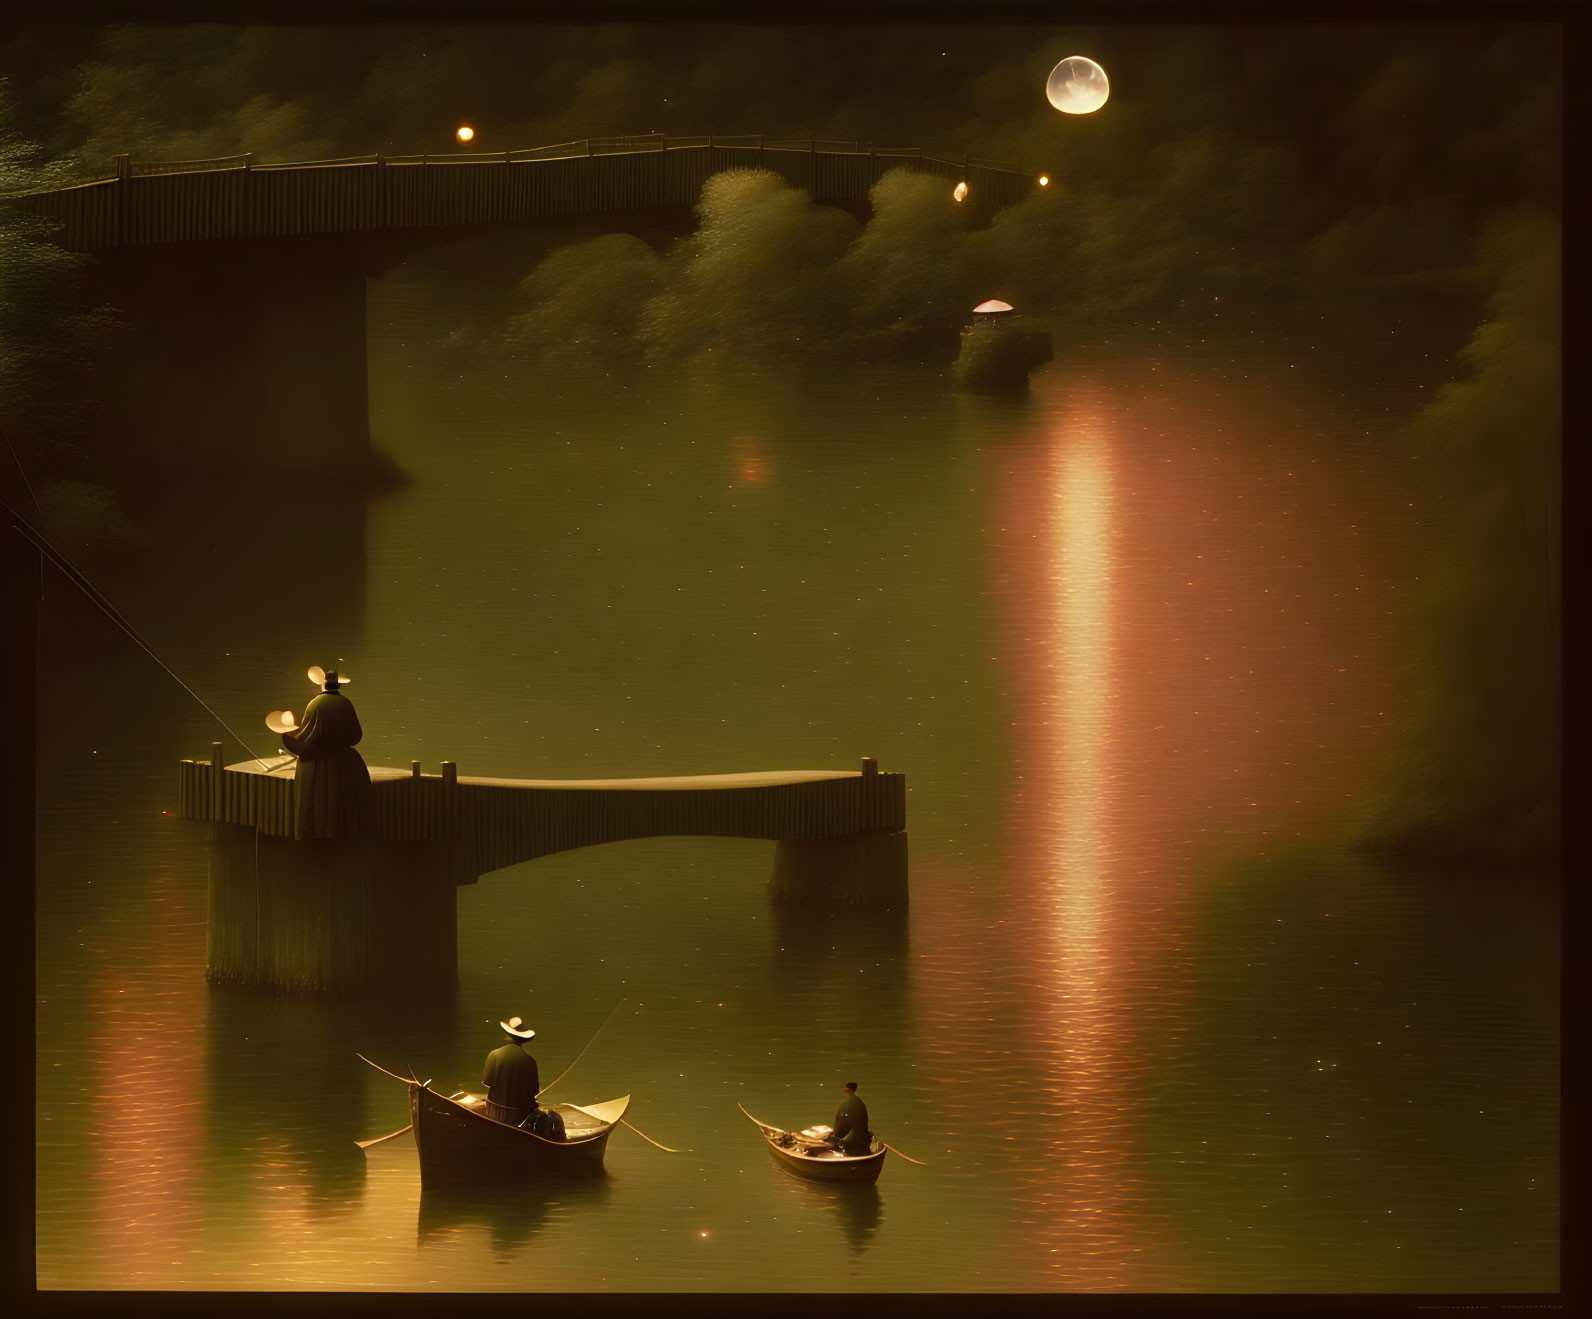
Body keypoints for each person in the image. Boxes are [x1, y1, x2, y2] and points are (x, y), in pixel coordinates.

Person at [280, 666, 370, 839]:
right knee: (341, 804)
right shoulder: (346, 703)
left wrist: (287, 736)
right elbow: (356, 736)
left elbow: (306, 739)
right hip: (344, 763)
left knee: (319, 802)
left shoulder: (315, 704)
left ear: (323, 685)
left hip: (320, 764)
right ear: (337, 686)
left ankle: (317, 838)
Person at [483, 1016, 542, 1127]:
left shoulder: (494, 1055)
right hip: (521, 1117)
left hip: (495, 1112)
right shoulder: (531, 1062)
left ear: (507, 1034)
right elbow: (535, 1091)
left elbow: (487, 1082)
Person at [830, 1081, 873, 1156]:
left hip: (850, 1144)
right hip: (863, 1142)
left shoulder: (845, 1104)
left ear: (847, 1090)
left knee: (830, 1140)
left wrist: (834, 1137)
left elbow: (839, 1125)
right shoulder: (860, 1103)